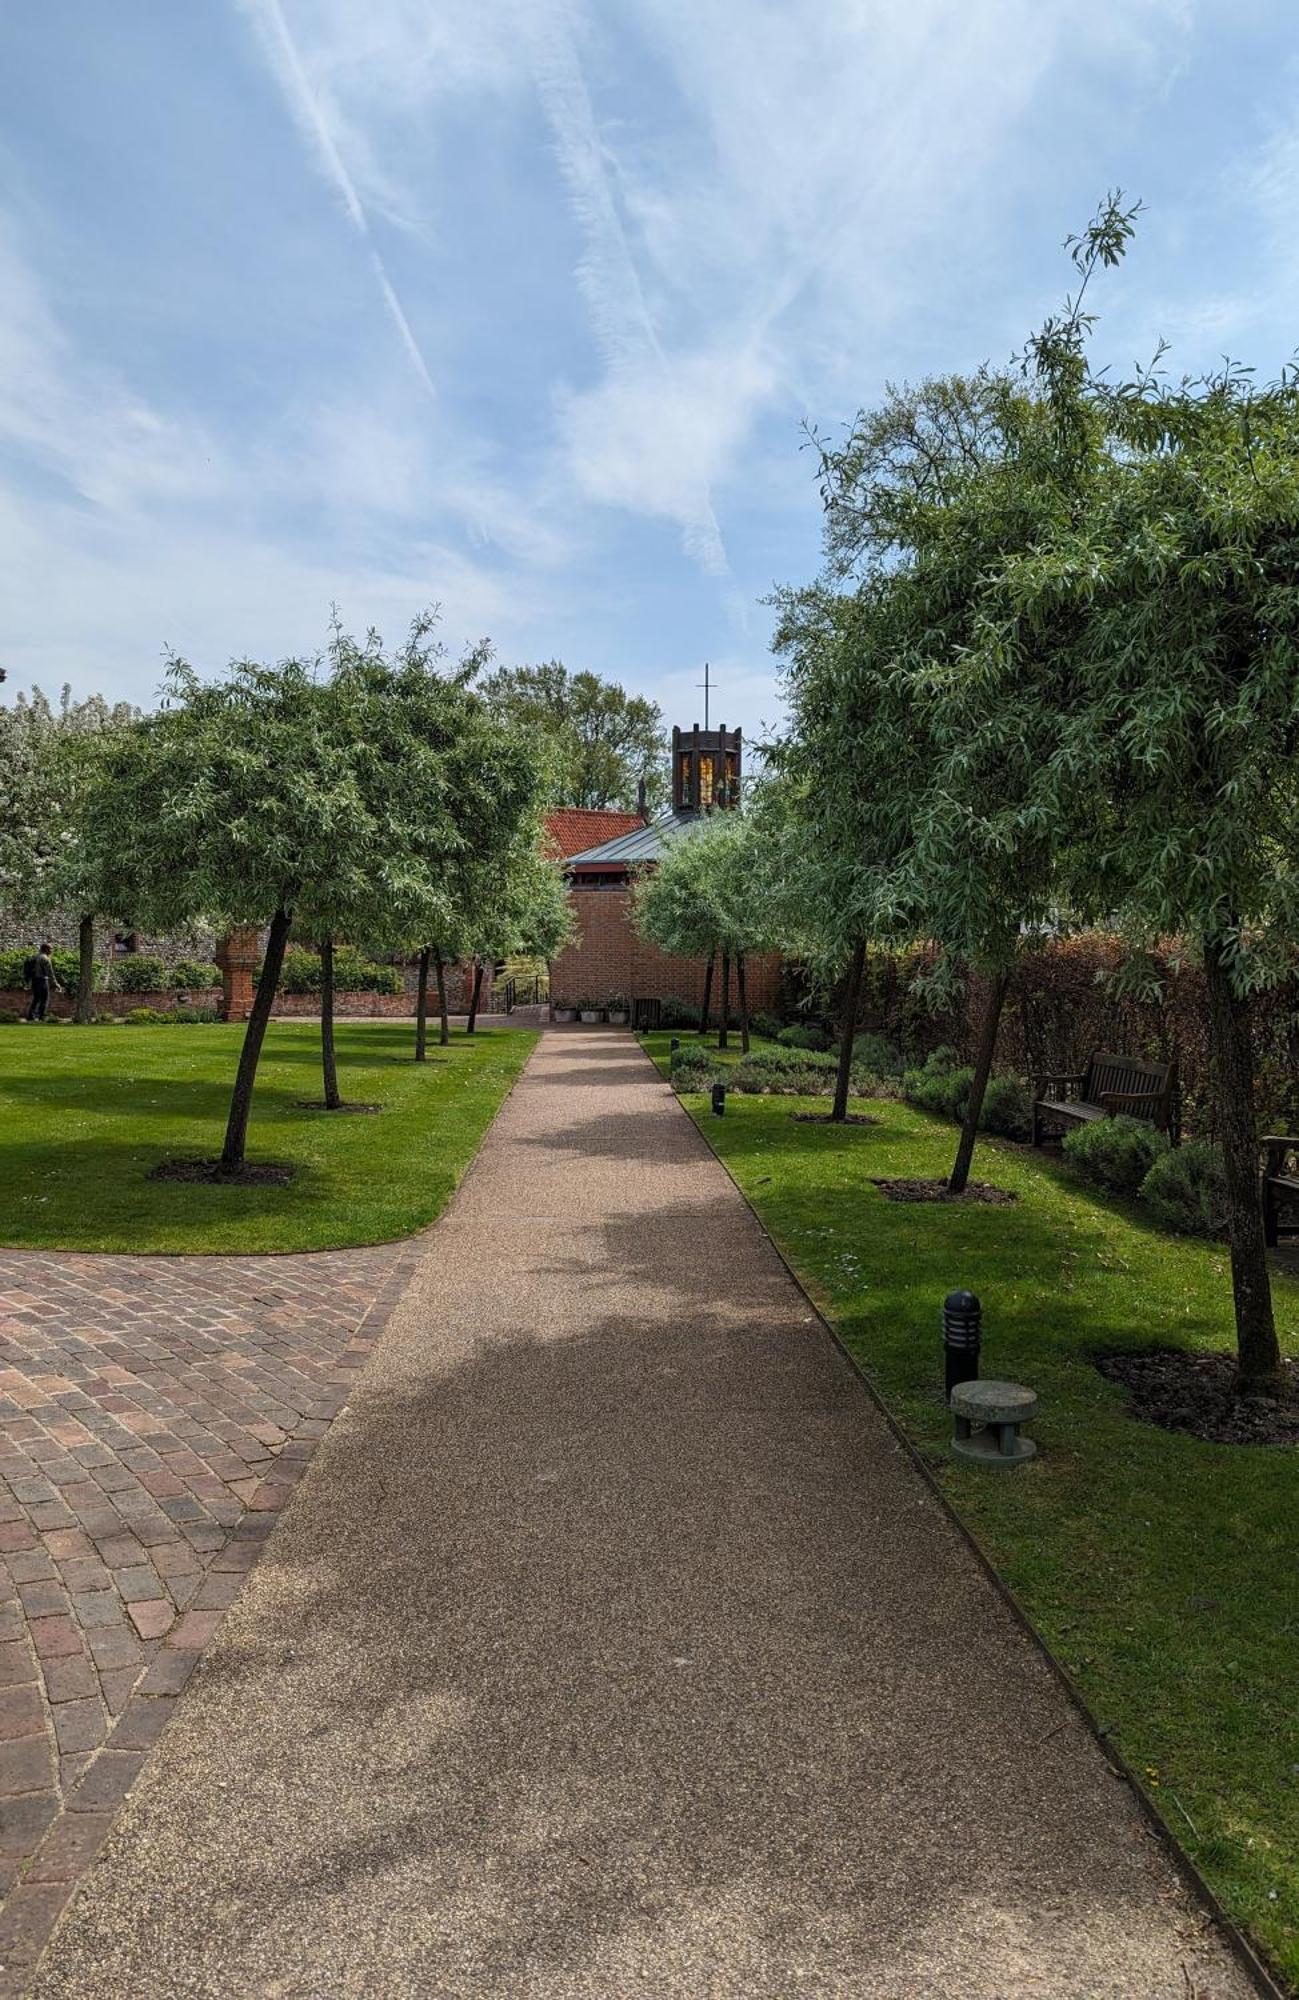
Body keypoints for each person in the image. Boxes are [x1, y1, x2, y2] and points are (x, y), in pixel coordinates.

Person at [24, 941, 64, 1022]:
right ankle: (41, 1016)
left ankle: (30, 1016)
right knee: (44, 999)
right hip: (42, 980)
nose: (51, 950)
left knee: (36, 998)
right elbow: (50, 973)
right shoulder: (45, 958)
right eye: (50, 949)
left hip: (34, 980)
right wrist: (56, 984)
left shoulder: (35, 956)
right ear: (46, 949)